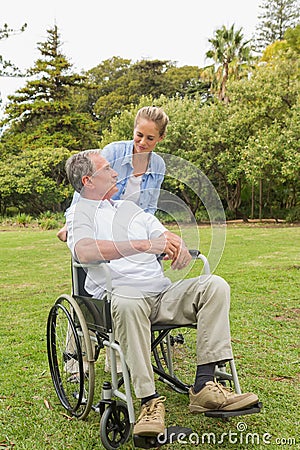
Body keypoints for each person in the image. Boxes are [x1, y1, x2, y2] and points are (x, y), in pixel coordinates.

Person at [65, 149, 259, 437]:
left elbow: (164, 237)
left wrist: (176, 245)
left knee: (214, 285)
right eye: (107, 169)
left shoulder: (129, 210)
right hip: (122, 298)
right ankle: (149, 401)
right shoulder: (79, 215)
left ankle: (205, 386)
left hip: (160, 295)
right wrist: (142, 245)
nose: (116, 173)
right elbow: (84, 250)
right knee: (128, 301)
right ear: (89, 180)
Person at [57, 105, 169, 242]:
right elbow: (86, 186)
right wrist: (71, 222)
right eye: (139, 135)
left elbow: (150, 207)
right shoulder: (114, 152)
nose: (142, 142)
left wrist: (147, 230)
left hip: (131, 230)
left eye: (150, 138)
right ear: (134, 130)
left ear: (161, 138)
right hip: (102, 226)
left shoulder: (158, 165)